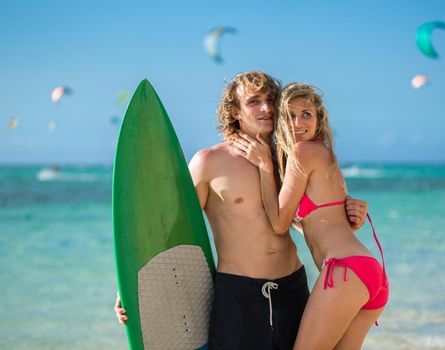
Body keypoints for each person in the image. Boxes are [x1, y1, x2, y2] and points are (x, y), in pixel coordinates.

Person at [115, 72, 370, 349]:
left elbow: (304, 218)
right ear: (235, 111)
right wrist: (131, 286)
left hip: (292, 288)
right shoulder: (208, 162)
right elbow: (171, 229)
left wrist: (348, 214)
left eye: (271, 100)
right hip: (239, 296)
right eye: (254, 101)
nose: (267, 108)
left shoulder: (288, 157)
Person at [232, 83, 388, 350]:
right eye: (290, 115)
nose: (298, 122)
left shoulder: (303, 152)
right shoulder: (323, 156)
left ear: (319, 120)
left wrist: (265, 167)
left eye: (306, 114)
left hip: (344, 272)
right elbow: (332, 221)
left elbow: (280, 222)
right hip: (369, 274)